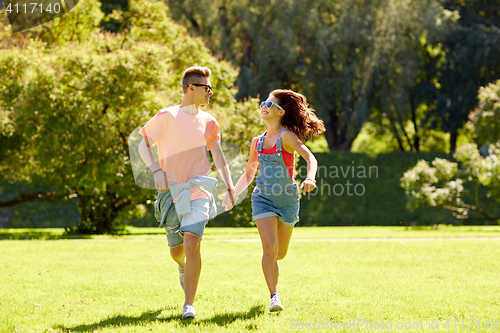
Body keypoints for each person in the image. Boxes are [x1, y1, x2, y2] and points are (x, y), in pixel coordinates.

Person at [138, 66, 235, 319]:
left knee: (192, 243)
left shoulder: (209, 121)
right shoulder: (167, 116)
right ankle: (182, 267)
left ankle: (188, 305)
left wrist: (230, 185)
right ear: (190, 88)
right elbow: (143, 144)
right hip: (171, 192)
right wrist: (156, 171)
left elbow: (218, 155)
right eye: (206, 87)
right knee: (177, 251)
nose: (210, 92)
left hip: (199, 189)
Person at [223, 89, 325, 312]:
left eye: (269, 104)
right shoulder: (256, 142)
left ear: (280, 112)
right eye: (263, 103)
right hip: (263, 198)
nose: (263, 106)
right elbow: (249, 174)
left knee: (280, 253)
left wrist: (310, 177)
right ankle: (274, 296)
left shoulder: (287, 136)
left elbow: (311, 157)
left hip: (288, 199)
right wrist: (233, 193)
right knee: (269, 248)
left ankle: (274, 283)